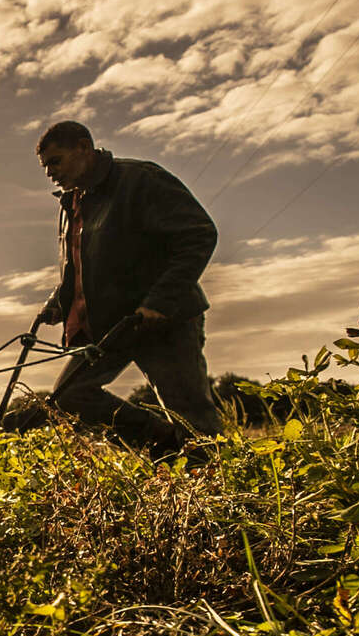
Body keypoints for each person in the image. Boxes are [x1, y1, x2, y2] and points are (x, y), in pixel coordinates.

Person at [31, 120, 223, 446]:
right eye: (45, 166)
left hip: (163, 322)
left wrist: (158, 303)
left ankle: (220, 478)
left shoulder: (140, 180)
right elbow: (77, 267)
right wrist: (58, 304)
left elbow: (199, 234)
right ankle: (164, 441)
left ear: (83, 147)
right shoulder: (72, 203)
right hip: (109, 327)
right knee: (72, 395)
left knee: (190, 412)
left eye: (55, 161)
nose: (50, 173)